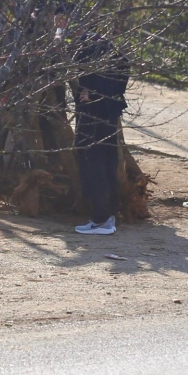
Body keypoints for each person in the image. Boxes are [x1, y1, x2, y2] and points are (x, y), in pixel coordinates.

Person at [70, 29, 130, 235]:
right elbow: (124, 66)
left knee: (91, 163)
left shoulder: (87, 47)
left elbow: (89, 78)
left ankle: (101, 219)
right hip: (109, 113)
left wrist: (92, 94)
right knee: (107, 162)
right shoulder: (110, 49)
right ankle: (107, 216)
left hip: (94, 115)